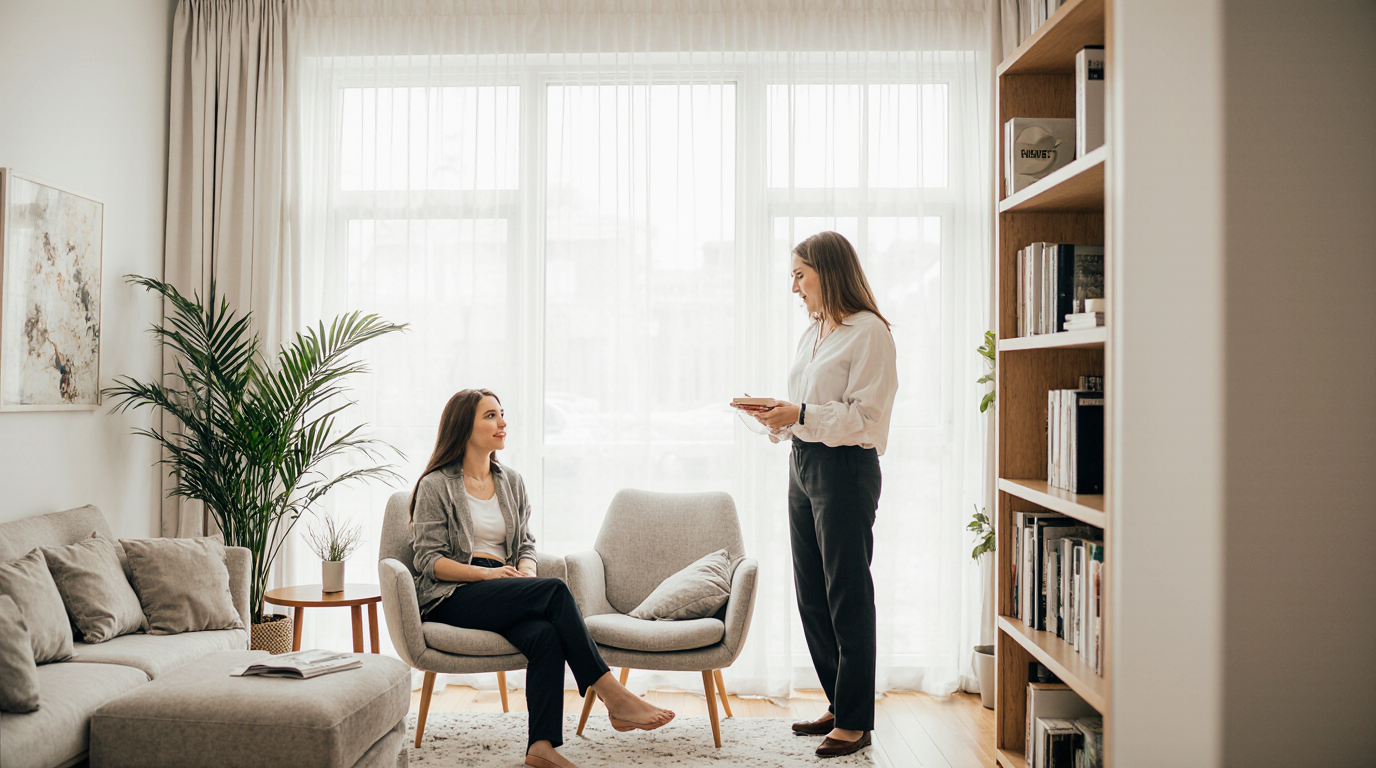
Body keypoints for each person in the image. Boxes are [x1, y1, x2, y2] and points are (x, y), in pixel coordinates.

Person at [410, 388, 675, 768]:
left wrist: (525, 573)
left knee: (545, 635)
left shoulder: (510, 481)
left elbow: (526, 545)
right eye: (490, 416)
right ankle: (611, 694)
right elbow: (428, 561)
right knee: (555, 590)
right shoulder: (436, 485)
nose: (503, 423)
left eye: (502, 414)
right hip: (454, 593)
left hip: (505, 584)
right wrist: (486, 578)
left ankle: (542, 747)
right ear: (463, 426)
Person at [741, 231, 898, 759]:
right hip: (804, 463)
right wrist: (782, 416)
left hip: (845, 468)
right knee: (811, 591)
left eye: (799, 275)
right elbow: (810, 409)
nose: (793, 287)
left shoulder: (869, 332)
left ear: (826, 273)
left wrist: (801, 415)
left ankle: (856, 721)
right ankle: (839, 700)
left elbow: (866, 418)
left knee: (846, 593)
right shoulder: (814, 332)